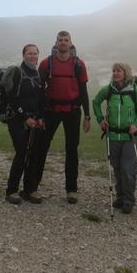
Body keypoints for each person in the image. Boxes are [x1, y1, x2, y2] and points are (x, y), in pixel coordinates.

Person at [36, 31, 91, 203]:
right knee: (41, 147)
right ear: (56, 42)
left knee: (72, 150)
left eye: (66, 40)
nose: (63, 42)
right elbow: (39, 90)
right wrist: (39, 114)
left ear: (70, 43)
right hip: (50, 110)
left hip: (73, 111)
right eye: (60, 40)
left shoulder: (79, 64)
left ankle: (71, 190)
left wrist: (87, 116)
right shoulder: (46, 64)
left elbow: (83, 91)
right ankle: (32, 187)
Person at [92, 62, 137, 214]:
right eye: (114, 71)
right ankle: (120, 197)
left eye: (119, 71)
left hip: (130, 136)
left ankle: (129, 201)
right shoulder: (108, 90)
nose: (115, 73)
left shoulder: (136, 91)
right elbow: (96, 102)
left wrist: (136, 123)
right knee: (117, 167)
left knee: (128, 169)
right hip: (113, 134)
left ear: (126, 73)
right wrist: (100, 119)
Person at [3, 44, 45, 205]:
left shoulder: (37, 74)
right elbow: (12, 100)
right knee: (21, 153)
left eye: (35, 53)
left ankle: (29, 190)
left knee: (33, 154)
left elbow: (41, 99)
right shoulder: (17, 73)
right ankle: (11, 191)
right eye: (29, 53)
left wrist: (40, 117)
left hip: (34, 120)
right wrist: (24, 117)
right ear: (23, 55)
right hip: (17, 120)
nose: (32, 56)